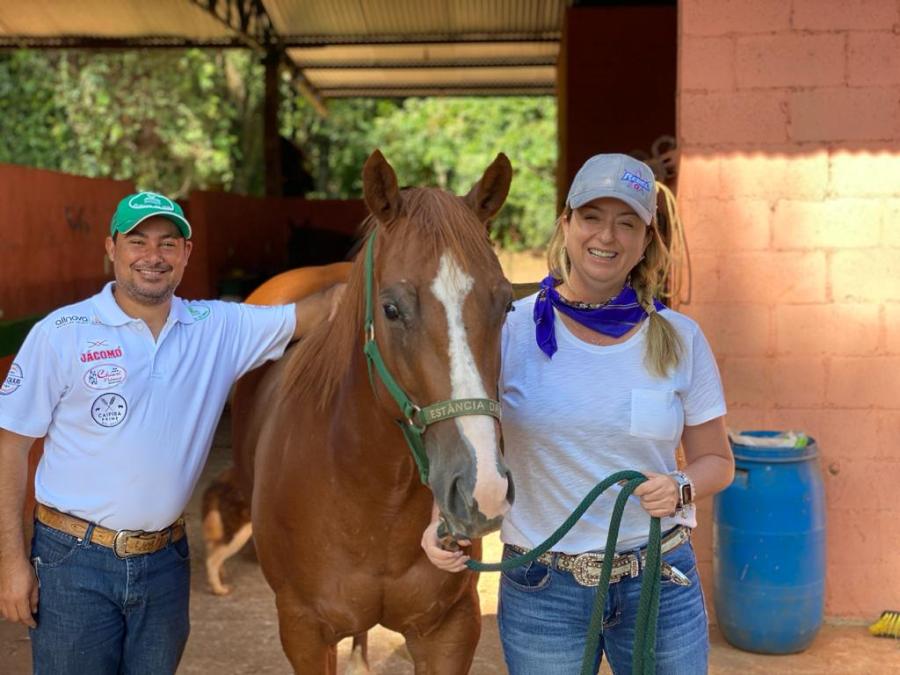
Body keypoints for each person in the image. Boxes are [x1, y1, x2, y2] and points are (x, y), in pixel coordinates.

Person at [0, 191, 342, 674]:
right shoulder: (62, 332)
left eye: (168, 243)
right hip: (72, 563)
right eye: (137, 241)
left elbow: (315, 313)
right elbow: (9, 449)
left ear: (187, 254)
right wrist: (10, 565)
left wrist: (377, 269)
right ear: (111, 248)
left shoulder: (216, 327)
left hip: (163, 563)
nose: (153, 257)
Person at [422, 154, 734, 674]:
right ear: (566, 224)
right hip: (544, 587)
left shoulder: (681, 338)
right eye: (592, 217)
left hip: (658, 578)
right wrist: (442, 520)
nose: (606, 236)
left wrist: (680, 486)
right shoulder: (508, 331)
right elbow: (467, 439)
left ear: (645, 240)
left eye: (627, 222)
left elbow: (716, 461)